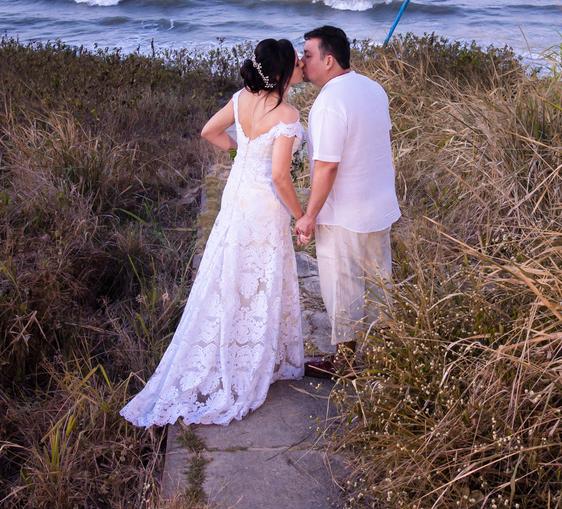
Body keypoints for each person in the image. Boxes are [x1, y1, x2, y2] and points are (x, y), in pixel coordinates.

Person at [121, 39, 306, 427]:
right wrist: (300, 214)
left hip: (236, 198)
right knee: (260, 276)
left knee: (228, 272)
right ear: (283, 74)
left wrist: (241, 153)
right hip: (265, 205)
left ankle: (231, 348)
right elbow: (279, 175)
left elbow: (209, 131)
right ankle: (250, 357)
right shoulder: (287, 115)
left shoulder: (240, 99)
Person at [294, 26, 400, 378]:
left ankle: (344, 363)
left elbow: (326, 165)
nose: (302, 61)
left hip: (345, 211)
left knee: (342, 287)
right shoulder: (373, 88)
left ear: (328, 59)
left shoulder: (328, 101)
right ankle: (386, 358)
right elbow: (383, 138)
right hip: (379, 203)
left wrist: (309, 215)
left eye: (308, 55)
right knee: (379, 282)